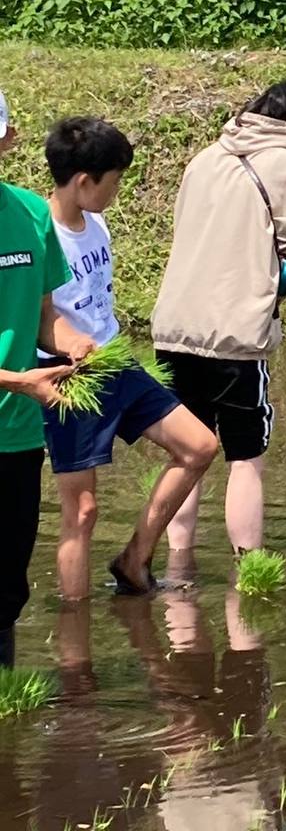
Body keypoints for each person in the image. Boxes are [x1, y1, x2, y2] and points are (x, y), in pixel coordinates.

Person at [41, 117, 218, 599]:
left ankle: (134, 558)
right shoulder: (40, 232)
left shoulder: (95, 222)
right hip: (67, 374)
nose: (118, 191)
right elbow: (40, 316)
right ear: (83, 181)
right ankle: (75, 643)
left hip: (115, 360)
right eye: (114, 181)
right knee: (82, 511)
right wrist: (72, 346)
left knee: (199, 446)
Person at [152, 81, 286, 556]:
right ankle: (247, 571)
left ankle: (177, 565)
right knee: (245, 457)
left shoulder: (204, 159)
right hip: (235, 334)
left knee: (186, 452)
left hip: (174, 328)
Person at [0, 91, 95, 666]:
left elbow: (42, 313)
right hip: (20, 396)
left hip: (15, 434)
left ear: (7, 139)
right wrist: (18, 380)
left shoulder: (32, 214)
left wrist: (72, 341)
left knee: (7, 582)